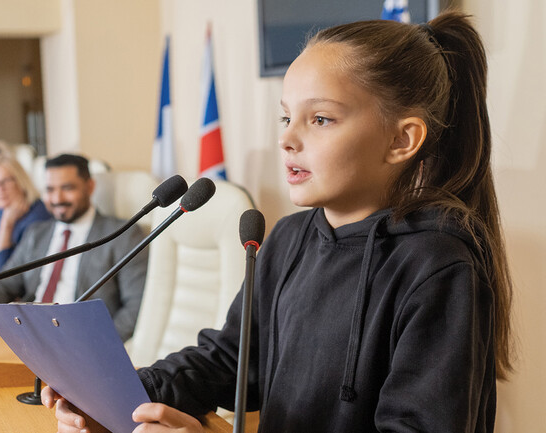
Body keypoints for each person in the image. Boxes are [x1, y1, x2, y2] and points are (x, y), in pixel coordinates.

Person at [43, 11, 514, 432]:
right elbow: (227, 361)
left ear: (401, 139)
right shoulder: (289, 238)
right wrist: (113, 394)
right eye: (286, 117)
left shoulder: (438, 265)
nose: (288, 138)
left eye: (321, 119)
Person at [0, 154, 148, 341]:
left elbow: (136, 306)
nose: (57, 198)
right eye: (50, 190)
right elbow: (4, 282)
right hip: (30, 335)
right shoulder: (37, 233)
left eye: (67, 188)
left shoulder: (122, 234)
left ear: (90, 187)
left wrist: (100, 345)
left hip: (81, 339)